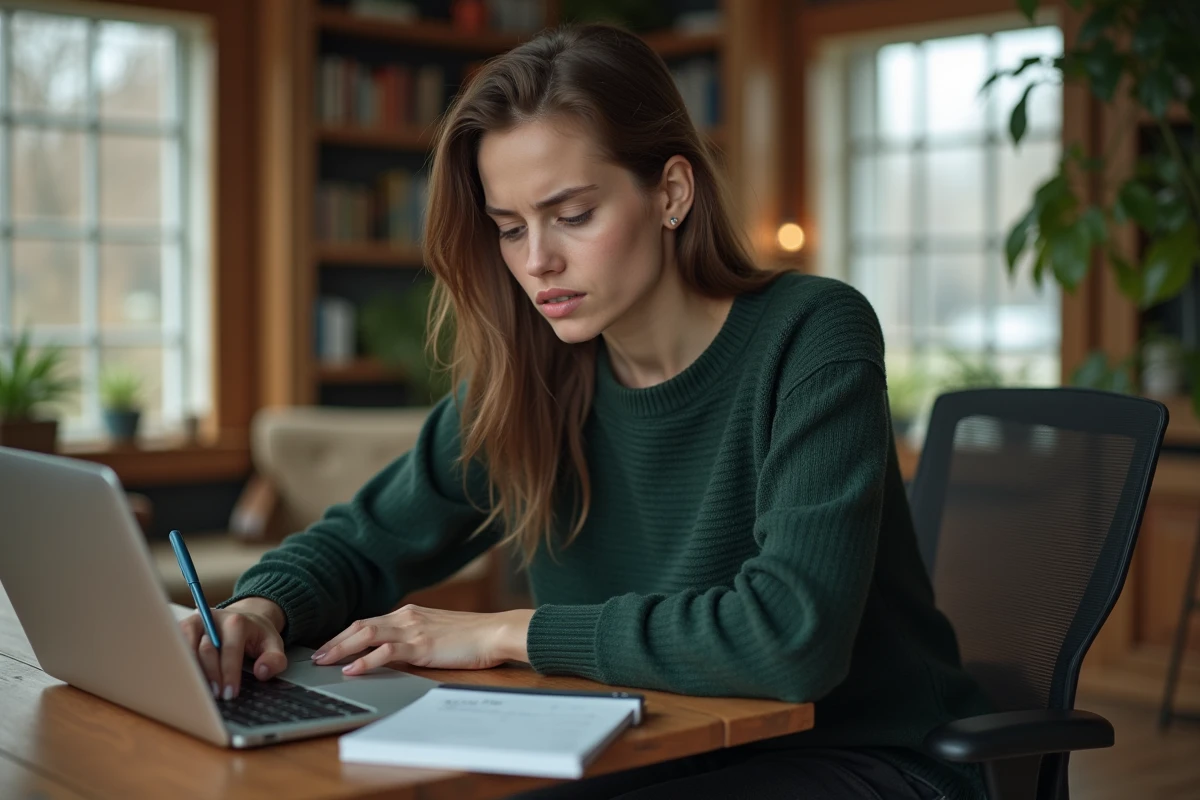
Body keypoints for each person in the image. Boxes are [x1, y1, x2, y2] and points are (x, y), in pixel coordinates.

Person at [180, 23, 991, 800]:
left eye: (573, 216)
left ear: (671, 192)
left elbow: (788, 640)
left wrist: (505, 632)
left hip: (866, 760)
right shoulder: (536, 374)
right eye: (509, 228)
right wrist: (260, 607)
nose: (537, 262)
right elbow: (364, 540)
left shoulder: (812, 332)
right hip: (653, 746)